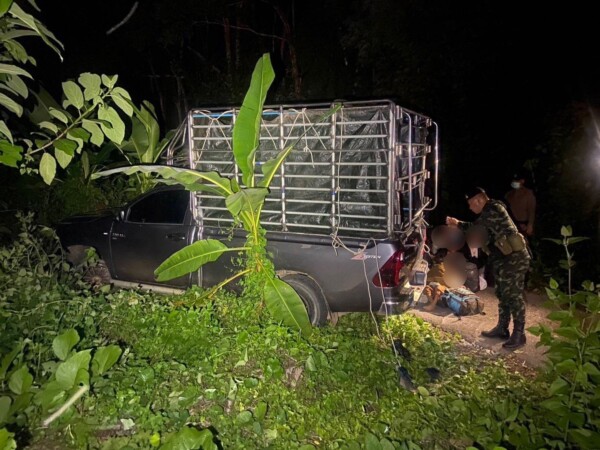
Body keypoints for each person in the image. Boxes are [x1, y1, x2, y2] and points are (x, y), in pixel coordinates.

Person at [446, 187, 531, 350]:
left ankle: (519, 334)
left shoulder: (493, 209)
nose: (470, 208)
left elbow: (476, 229)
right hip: (503, 258)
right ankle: (502, 328)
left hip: (515, 258)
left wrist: (457, 223)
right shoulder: (488, 213)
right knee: (502, 293)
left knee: (513, 295)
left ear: (479, 200)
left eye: (471, 204)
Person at [505, 170, 536, 237]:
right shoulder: (508, 194)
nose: (514, 182)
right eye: (513, 180)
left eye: (517, 180)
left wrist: (530, 225)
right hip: (512, 225)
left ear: (522, 181)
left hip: (524, 226)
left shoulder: (528, 193)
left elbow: (531, 210)